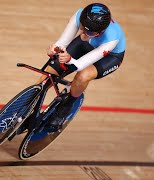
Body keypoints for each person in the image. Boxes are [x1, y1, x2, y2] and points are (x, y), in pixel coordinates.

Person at [35, 2, 126, 131]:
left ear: (100, 32)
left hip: (110, 56)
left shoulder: (111, 38)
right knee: (49, 74)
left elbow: (79, 65)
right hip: (86, 44)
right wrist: (55, 49)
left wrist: (69, 59)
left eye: (90, 33)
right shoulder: (80, 15)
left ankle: (67, 105)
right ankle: (29, 105)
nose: (83, 33)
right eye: (82, 28)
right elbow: (63, 43)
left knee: (83, 76)